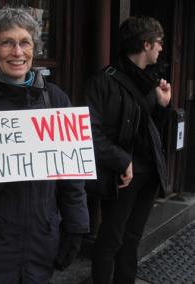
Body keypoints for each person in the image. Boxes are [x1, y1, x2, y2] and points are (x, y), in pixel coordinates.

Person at [0, 7, 89, 283]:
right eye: (6, 42)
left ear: (34, 48)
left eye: (25, 42)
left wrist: (76, 226)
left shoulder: (55, 100)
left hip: (40, 241)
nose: (17, 52)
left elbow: (71, 175)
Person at [85, 16, 171, 284]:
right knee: (111, 239)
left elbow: (152, 131)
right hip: (120, 175)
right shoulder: (102, 82)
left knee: (132, 239)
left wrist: (162, 106)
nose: (161, 49)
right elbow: (90, 133)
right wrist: (122, 161)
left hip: (148, 173)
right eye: (159, 43)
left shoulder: (153, 81)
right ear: (145, 44)